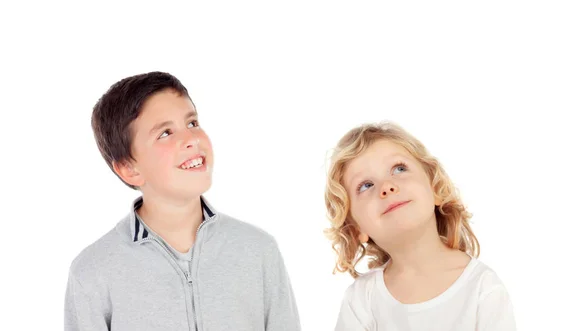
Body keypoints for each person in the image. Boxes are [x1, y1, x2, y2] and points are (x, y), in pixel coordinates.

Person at [64, 71, 301, 331]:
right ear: (129, 169)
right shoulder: (92, 272)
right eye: (165, 133)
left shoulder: (259, 251)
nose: (191, 139)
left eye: (192, 123)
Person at [324, 121, 515, 330]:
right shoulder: (362, 299)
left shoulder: (483, 288)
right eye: (366, 185)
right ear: (355, 229)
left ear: (435, 188)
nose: (386, 187)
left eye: (399, 168)